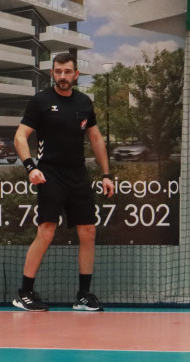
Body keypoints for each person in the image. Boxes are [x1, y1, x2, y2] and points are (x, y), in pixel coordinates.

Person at [12, 53, 115, 312]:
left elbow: (96, 139)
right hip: (49, 174)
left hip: (78, 175)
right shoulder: (40, 101)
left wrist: (106, 175)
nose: (63, 76)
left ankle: (83, 296)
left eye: (68, 72)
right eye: (58, 71)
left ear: (76, 74)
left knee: (88, 232)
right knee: (46, 229)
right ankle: (24, 293)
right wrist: (30, 168)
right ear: (52, 73)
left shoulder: (84, 102)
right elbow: (20, 137)